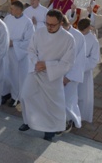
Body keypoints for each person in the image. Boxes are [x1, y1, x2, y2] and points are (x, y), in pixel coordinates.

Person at [18, 9, 75, 142]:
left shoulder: (68, 39)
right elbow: (31, 50)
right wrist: (36, 63)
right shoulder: (39, 32)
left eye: (52, 25)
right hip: (36, 71)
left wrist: (47, 65)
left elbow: (67, 63)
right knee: (26, 96)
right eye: (47, 23)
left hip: (52, 76)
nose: (49, 27)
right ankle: (29, 121)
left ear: (61, 23)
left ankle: (49, 131)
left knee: (49, 104)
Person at [3, 1, 35, 108]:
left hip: (18, 53)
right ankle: (5, 93)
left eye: (12, 9)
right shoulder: (8, 18)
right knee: (5, 73)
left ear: (18, 10)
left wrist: (14, 43)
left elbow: (29, 41)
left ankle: (16, 97)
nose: (10, 10)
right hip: (6, 51)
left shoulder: (27, 22)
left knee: (16, 76)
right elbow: (3, 31)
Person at [60, 14, 86, 133]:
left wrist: (68, 77)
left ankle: (68, 122)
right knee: (58, 100)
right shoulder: (57, 34)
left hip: (70, 76)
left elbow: (79, 60)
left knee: (68, 100)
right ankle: (60, 122)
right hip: (57, 73)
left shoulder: (78, 36)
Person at [78, 18, 100, 124]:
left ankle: (82, 116)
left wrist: (83, 66)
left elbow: (94, 59)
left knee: (83, 95)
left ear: (88, 28)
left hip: (85, 71)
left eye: (84, 30)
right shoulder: (76, 35)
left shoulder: (93, 40)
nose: (81, 33)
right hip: (73, 68)